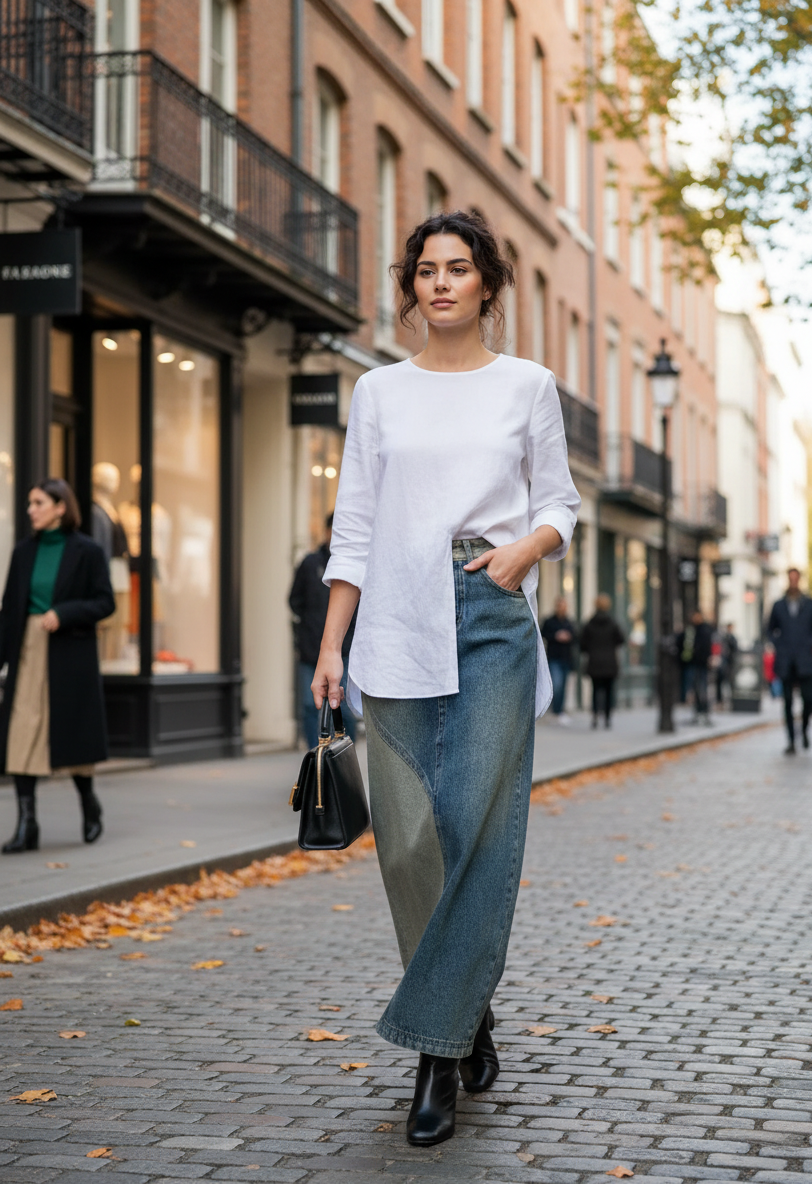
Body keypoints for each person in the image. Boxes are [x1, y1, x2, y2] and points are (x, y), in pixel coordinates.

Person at [311, 210, 580, 1147]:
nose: (440, 284)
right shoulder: (378, 391)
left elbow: (559, 502)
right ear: (411, 286)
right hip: (392, 617)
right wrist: (330, 643)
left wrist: (525, 552)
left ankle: (436, 1054)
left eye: (458, 269)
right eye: (425, 269)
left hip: (490, 613)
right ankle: (469, 1012)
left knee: (475, 824)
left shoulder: (528, 386)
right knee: (408, 841)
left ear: (488, 286)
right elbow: (353, 526)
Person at [0, 479, 115, 853]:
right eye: (30, 503)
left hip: (68, 654)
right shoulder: (23, 553)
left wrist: (64, 614)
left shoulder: (88, 551)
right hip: (28, 652)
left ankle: (89, 804)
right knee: (20, 735)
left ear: (60, 507)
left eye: (38, 502)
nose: (31, 509)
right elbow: (8, 613)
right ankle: (27, 825)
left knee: (73, 740)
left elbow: (104, 602)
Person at [288, 513, 356, 749]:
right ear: (328, 532)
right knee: (309, 705)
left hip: (345, 648)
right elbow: (294, 600)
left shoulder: (354, 564)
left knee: (343, 708)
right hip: (310, 649)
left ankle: (344, 759)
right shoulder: (310, 563)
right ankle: (314, 757)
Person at [767, 567, 812, 754]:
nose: (793, 582)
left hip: (805, 660)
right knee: (788, 702)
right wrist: (779, 644)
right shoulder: (778, 605)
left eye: (795, 578)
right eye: (790, 578)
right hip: (785, 661)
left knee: (809, 699)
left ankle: (805, 729)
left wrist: (811, 643)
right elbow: (769, 629)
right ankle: (791, 740)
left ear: (799, 580)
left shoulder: (810, 604)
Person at [578, 594, 625, 728]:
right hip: (610, 662)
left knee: (595, 690)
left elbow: (582, 644)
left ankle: (595, 716)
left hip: (595, 662)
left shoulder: (589, 623)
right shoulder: (613, 623)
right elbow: (621, 639)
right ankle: (607, 718)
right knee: (609, 691)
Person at [541, 596, 577, 725]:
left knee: (563, 685)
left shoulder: (569, 622)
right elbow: (543, 634)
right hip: (554, 657)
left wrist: (568, 636)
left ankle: (559, 711)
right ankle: (555, 710)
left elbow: (575, 637)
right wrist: (556, 636)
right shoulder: (549, 621)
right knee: (556, 684)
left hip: (566, 658)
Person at [676, 608, 713, 725]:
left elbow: (707, 647)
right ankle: (697, 711)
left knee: (702, 688)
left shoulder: (705, 630)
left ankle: (704, 711)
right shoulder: (689, 630)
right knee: (693, 688)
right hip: (691, 664)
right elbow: (681, 643)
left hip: (701, 664)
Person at [716, 622, 738, 708]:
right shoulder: (724, 638)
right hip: (724, 663)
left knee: (729, 682)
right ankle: (720, 700)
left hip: (729, 663)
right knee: (721, 682)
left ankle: (729, 699)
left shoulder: (731, 638)